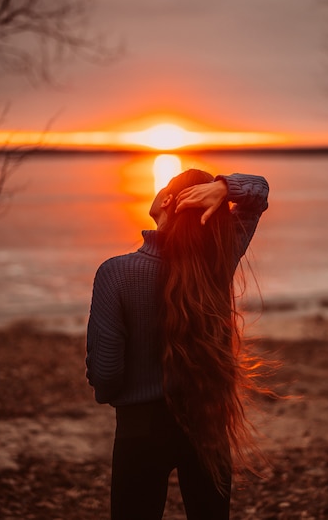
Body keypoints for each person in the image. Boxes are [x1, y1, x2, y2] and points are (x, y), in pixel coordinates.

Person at [86, 169, 269, 520]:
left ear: (167, 200)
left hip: (139, 426)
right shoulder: (218, 261)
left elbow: (107, 372)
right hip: (207, 419)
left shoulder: (115, 272)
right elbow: (258, 192)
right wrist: (224, 188)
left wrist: (110, 392)